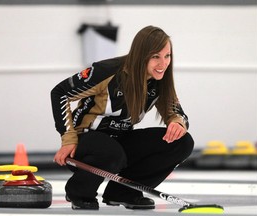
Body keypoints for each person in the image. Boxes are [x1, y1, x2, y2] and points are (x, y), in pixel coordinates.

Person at [51, 25, 194, 210]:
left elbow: (176, 112)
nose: (163, 64)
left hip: (120, 141)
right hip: (86, 142)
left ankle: (123, 192)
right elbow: (60, 93)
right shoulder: (106, 71)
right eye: (155, 57)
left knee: (183, 142)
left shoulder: (159, 80)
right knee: (112, 153)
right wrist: (68, 138)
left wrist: (177, 123)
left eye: (167, 56)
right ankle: (79, 191)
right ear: (141, 55)